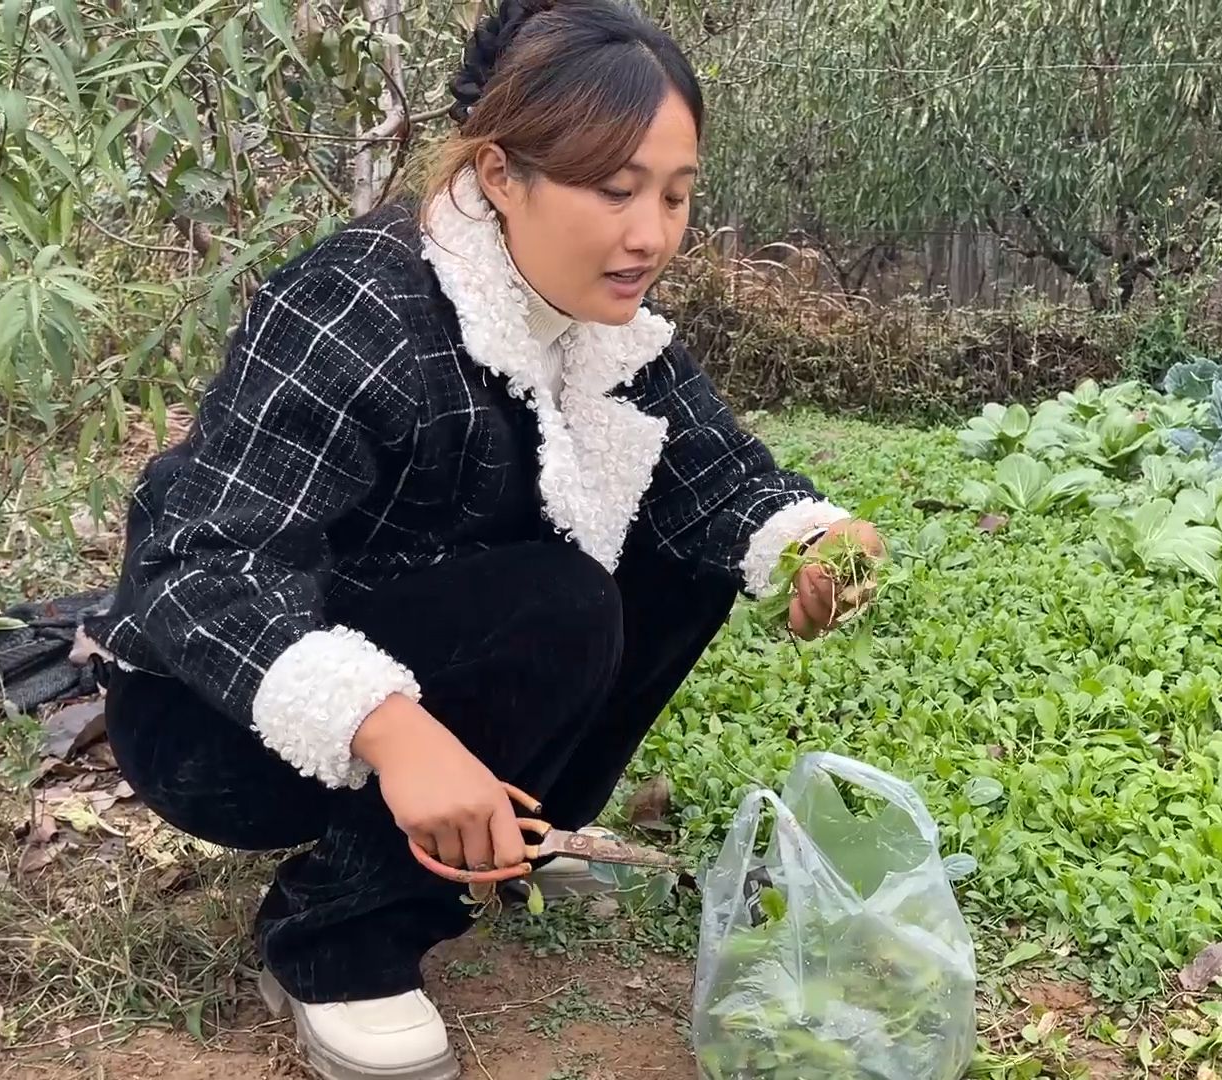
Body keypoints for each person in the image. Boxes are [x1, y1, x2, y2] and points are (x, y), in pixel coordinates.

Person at [82, 1, 883, 1076]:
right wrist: (389, 729)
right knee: (559, 602)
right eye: (615, 190)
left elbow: (717, 477)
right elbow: (193, 571)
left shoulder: (601, 322)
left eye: (676, 195)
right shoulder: (363, 301)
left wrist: (818, 541)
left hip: (420, 649)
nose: (650, 232)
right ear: (502, 175)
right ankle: (339, 944)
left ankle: (498, 847)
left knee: (680, 556)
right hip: (217, 724)